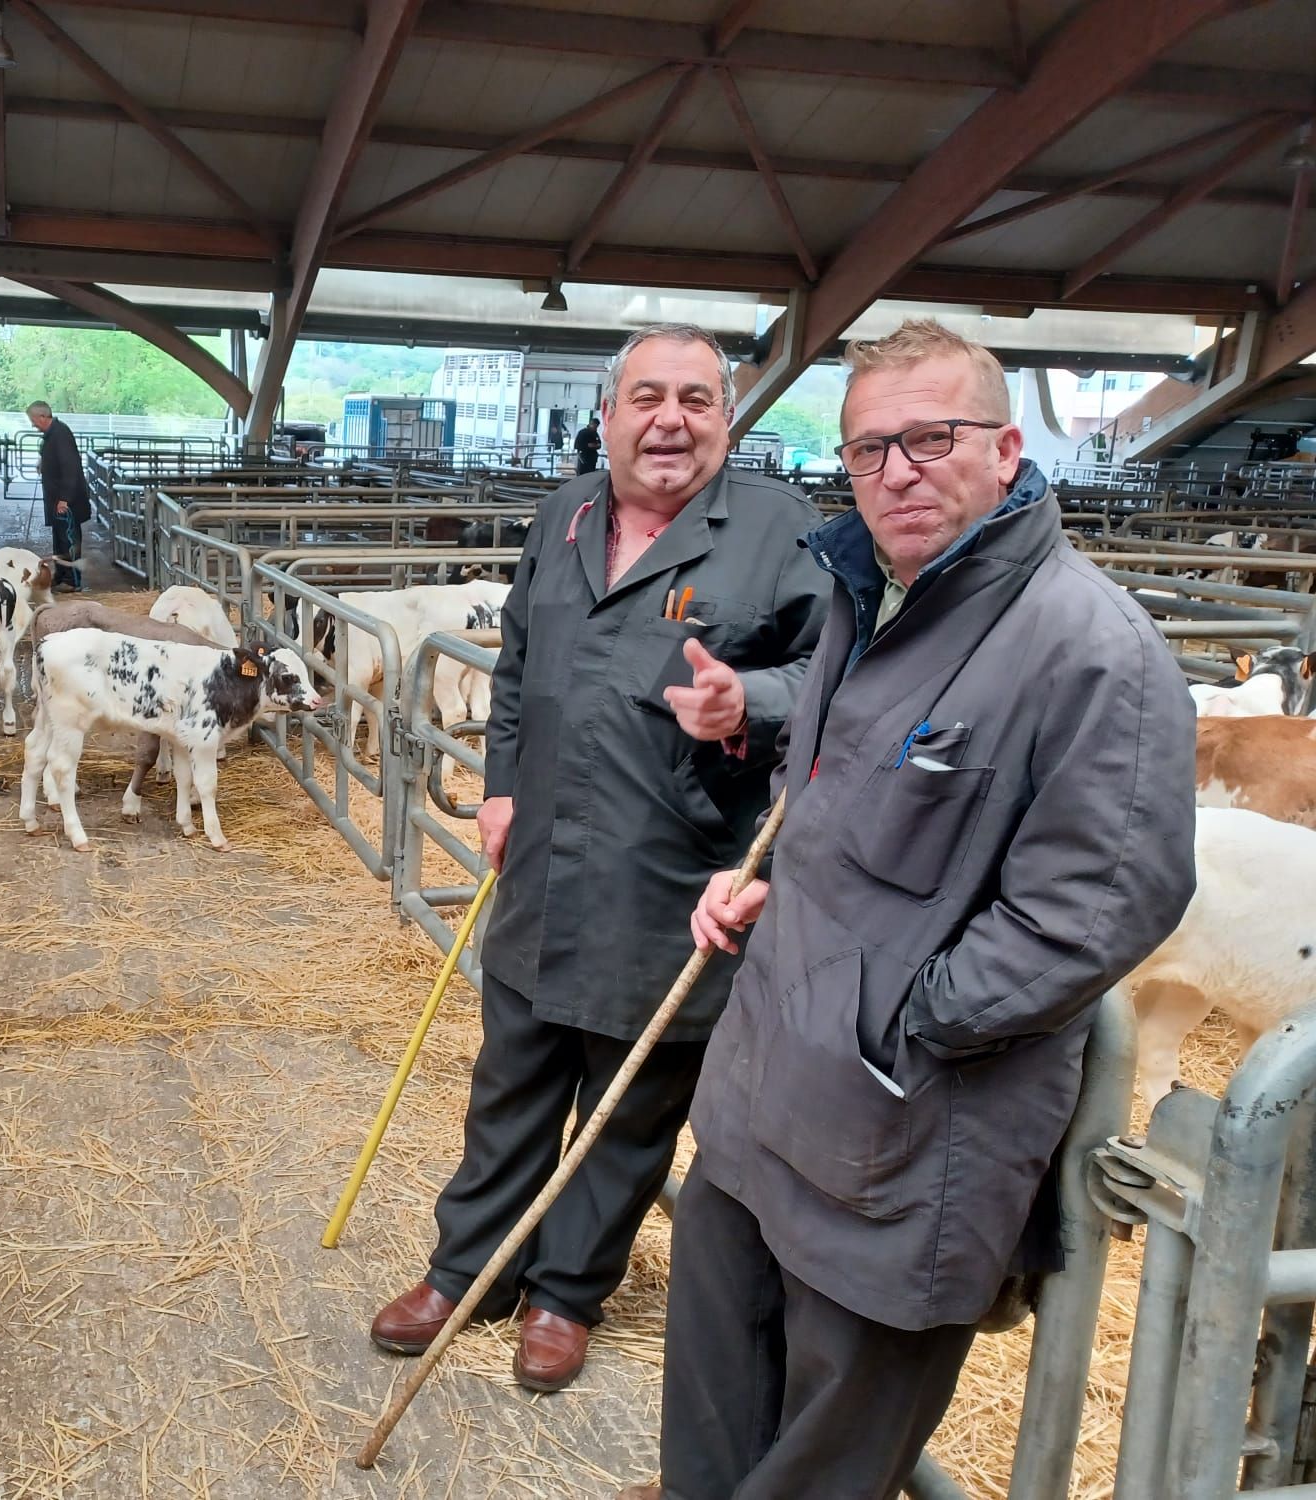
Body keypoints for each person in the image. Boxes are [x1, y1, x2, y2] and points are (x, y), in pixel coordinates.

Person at [617, 320, 1198, 1500]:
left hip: (901, 1136)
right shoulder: (862, 596)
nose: (895, 473)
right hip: (760, 1099)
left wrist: (896, 1023)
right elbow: (821, 799)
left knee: (825, 1457)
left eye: (928, 439)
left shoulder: (1092, 652)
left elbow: (1098, 906)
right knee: (713, 1409)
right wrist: (767, 882)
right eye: (866, 449)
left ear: (1003, 444)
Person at [369, 323, 828, 1392]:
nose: (669, 421)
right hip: (543, 856)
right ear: (610, 412)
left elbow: (833, 679)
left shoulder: (778, 530)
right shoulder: (563, 513)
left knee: (626, 1105)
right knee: (511, 1079)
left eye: (695, 401)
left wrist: (745, 701)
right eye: (647, 398)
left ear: (726, 417)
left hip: (673, 870)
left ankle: (567, 1293)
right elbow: (519, 667)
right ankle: (466, 1271)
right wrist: (499, 788)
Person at [28, 401, 88, 592]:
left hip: (66, 501)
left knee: (69, 539)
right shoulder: (52, 434)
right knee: (60, 538)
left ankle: (73, 579)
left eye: (34, 420)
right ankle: (62, 574)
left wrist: (65, 498)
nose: (33, 425)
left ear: (43, 417)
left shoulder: (60, 435)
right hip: (57, 499)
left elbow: (70, 468)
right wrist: (43, 462)